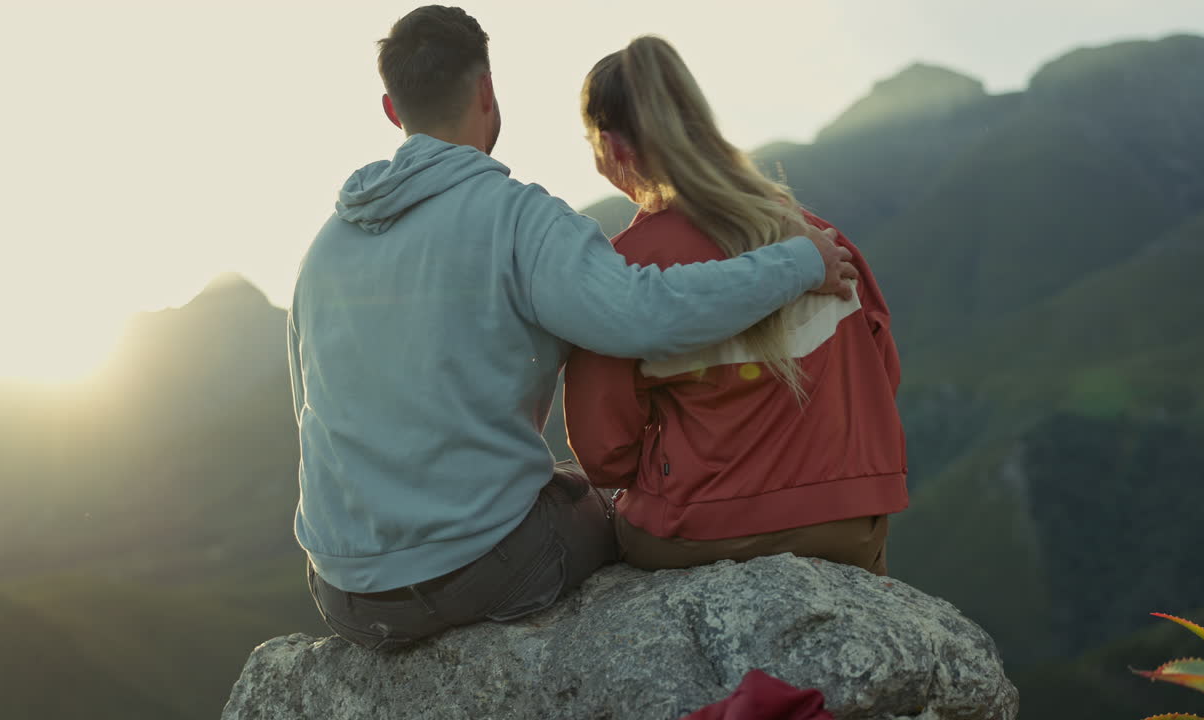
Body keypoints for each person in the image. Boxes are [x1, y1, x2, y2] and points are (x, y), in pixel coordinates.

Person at [289, 6, 858, 651]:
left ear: (393, 110)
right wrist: (798, 261)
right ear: (486, 90)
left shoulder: (322, 249)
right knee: (608, 509)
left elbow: (309, 404)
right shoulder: (518, 219)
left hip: (344, 596)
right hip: (475, 573)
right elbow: (646, 314)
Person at [564, 36, 908, 575]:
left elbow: (604, 449)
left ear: (611, 146)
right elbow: (881, 374)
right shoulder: (820, 242)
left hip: (695, 530)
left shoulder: (625, 271)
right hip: (847, 524)